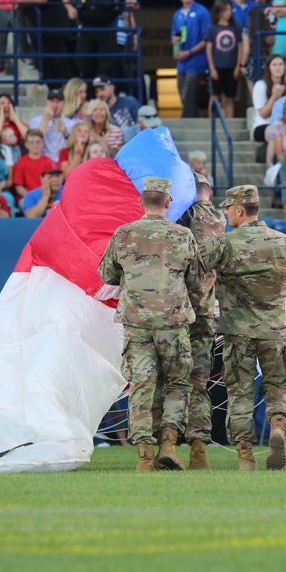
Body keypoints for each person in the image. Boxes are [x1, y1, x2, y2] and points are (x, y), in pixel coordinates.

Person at [200, 185, 286, 471]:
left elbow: (193, 266)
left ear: (239, 210)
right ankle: (277, 425)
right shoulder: (284, 242)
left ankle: (246, 457)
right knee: (279, 386)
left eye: (228, 208)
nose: (225, 213)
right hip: (275, 331)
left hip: (237, 334)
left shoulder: (225, 243)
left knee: (239, 393)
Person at [98, 177, 204, 472]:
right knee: (177, 384)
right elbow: (196, 280)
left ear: (141, 202)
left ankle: (145, 456)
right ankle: (168, 444)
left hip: (137, 324)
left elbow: (106, 273)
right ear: (168, 203)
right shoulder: (183, 235)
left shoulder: (124, 234)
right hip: (173, 323)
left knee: (142, 386)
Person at [175, 172, 225, 470]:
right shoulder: (221, 218)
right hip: (206, 313)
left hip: (177, 311)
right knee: (199, 383)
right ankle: (198, 450)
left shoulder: (183, 217)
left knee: (170, 380)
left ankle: (165, 442)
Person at [18, 0, 74, 86]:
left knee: (61, 71)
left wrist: (20, 0)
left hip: (53, 32)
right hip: (40, 34)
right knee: (48, 74)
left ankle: (71, 102)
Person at [170, 0, 210, 119]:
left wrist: (189, 52)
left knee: (188, 93)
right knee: (183, 93)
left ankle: (185, 123)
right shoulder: (177, 15)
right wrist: (176, 46)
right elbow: (175, 36)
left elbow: (207, 39)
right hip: (182, 62)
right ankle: (196, 120)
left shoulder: (202, 12)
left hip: (197, 61)